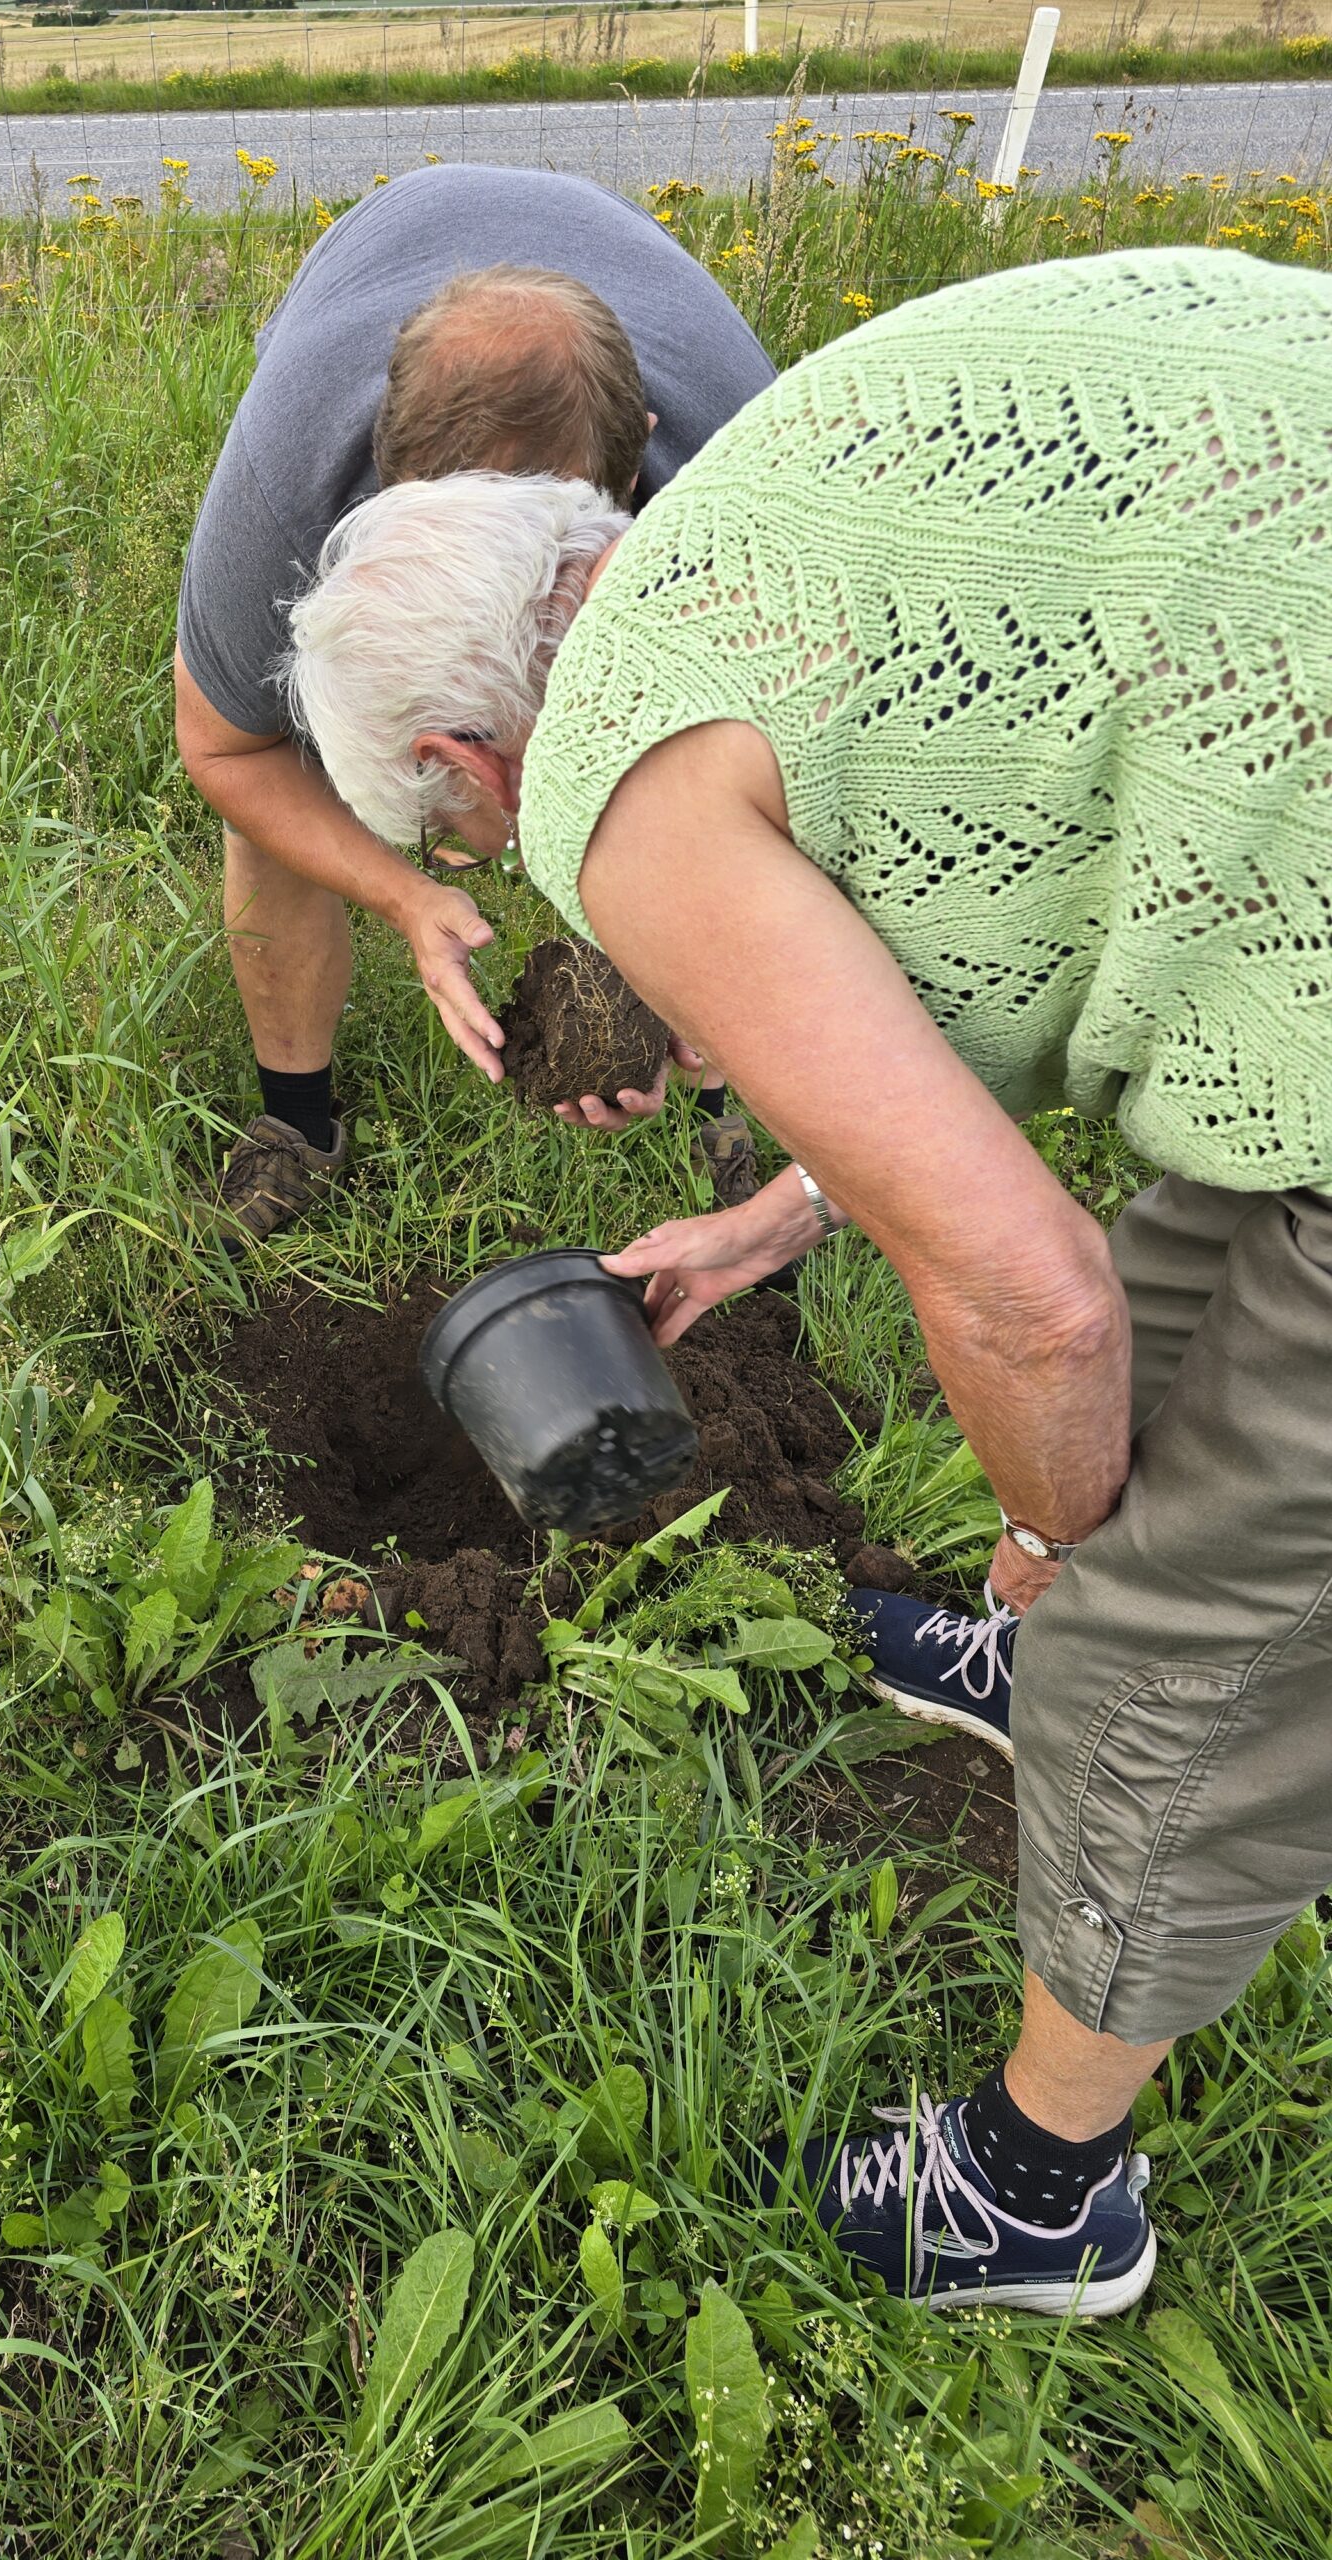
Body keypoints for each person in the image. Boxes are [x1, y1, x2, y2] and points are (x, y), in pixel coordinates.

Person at [282, 246, 1332, 2313]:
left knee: (1192, 1617)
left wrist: (1051, 1532)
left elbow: (1036, 1307)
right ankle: (1059, 1681)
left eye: (476, 843)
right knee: (1197, 1272)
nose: (518, 866)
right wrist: (775, 1214)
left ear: (482, 772)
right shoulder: (741, 526)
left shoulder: (607, 782)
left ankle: (1044, 2195)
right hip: (1280, 919)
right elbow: (984, 883)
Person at [174, 163, 776, 1241]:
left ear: (633, 460)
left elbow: (777, 800)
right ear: (389, 480)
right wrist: (404, 895)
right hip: (373, 264)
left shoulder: (742, 489)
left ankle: (731, 1104)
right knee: (295, 755)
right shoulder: (287, 487)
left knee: (702, 779)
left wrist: (689, 989)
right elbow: (227, 752)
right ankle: (295, 1126)